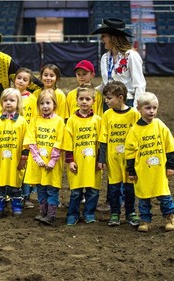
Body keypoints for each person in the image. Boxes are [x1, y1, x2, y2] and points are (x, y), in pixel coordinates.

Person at [125, 92, 174, 232]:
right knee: (143, 198)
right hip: (143, 172)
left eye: (154, 108)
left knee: (165, 196)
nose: (151, 111)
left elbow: (170, 146)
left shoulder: (160, 125)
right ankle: (145, 220)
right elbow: (129, 152)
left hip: (159, 171)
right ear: (139, 109)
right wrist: (131, 171)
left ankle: (170, 217)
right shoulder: (134, 130)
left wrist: (171, 165)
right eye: (147, 108)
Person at [97, 81, 141, 226]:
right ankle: (115, 213)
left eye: (109, 98)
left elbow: (139, 135)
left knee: (129, 187)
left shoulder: (134, 113)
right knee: (114, 187)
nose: (106, 101)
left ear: (120, 98)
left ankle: (130, 213)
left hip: (129, 158)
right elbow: (103, 138)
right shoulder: (107, 115)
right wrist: (102, 158)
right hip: (113, 158)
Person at [23, 89, 65, 225]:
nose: (45, 106)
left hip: (52, 164)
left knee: (51, 189)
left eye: (48, 103)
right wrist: (38, 158)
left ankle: (51, 215)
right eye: (42, 103)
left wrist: (52, 160)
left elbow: (60, 141)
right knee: (40, 189)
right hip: (38, 163)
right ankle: (43, 211)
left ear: (54, 104)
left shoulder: (59, 122)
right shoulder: (34, 120)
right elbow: (30, 139)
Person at [63, 85, 102, 225]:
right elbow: (68, 142)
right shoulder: (72, 121)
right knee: (75, 192)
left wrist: (100, 160)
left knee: (93, 191)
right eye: (81, 99)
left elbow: (101, 142)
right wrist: (70, 161)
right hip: (77, 163)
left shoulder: (98, 120)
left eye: (88, 99)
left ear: (94, 101)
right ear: (76, 100)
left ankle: (89, 213)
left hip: (93, 164)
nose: (84, 101)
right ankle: (72, 215)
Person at [0, 88, 28, 218]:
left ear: (18, 103)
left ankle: (16, 206)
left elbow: (26, 142)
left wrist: (23, 159)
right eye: (5, 100)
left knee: (15, 185)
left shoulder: (22, 122)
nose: (8, 103)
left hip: (15, 161)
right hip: (0, 161)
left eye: (12, 100)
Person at [92, 18, 146, 108]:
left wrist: (136, 108)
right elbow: (106, 83)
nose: (101, 40)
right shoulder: (105, 57)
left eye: (104, 36)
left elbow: (139, 85)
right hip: (108, 103)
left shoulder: (131, 55)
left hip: (126, 102)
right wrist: (89, 91)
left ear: (113, 37)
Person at [14, 67, 38, 209]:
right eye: (19, 78)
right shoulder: (9, 95)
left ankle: (26, 196)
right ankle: (13, 194)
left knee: (26, 167)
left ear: (29, 83)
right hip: (12, 137)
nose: (21, 81)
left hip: (27, 137)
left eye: (25, 79)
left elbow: (35, 119)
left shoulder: (32, 99)